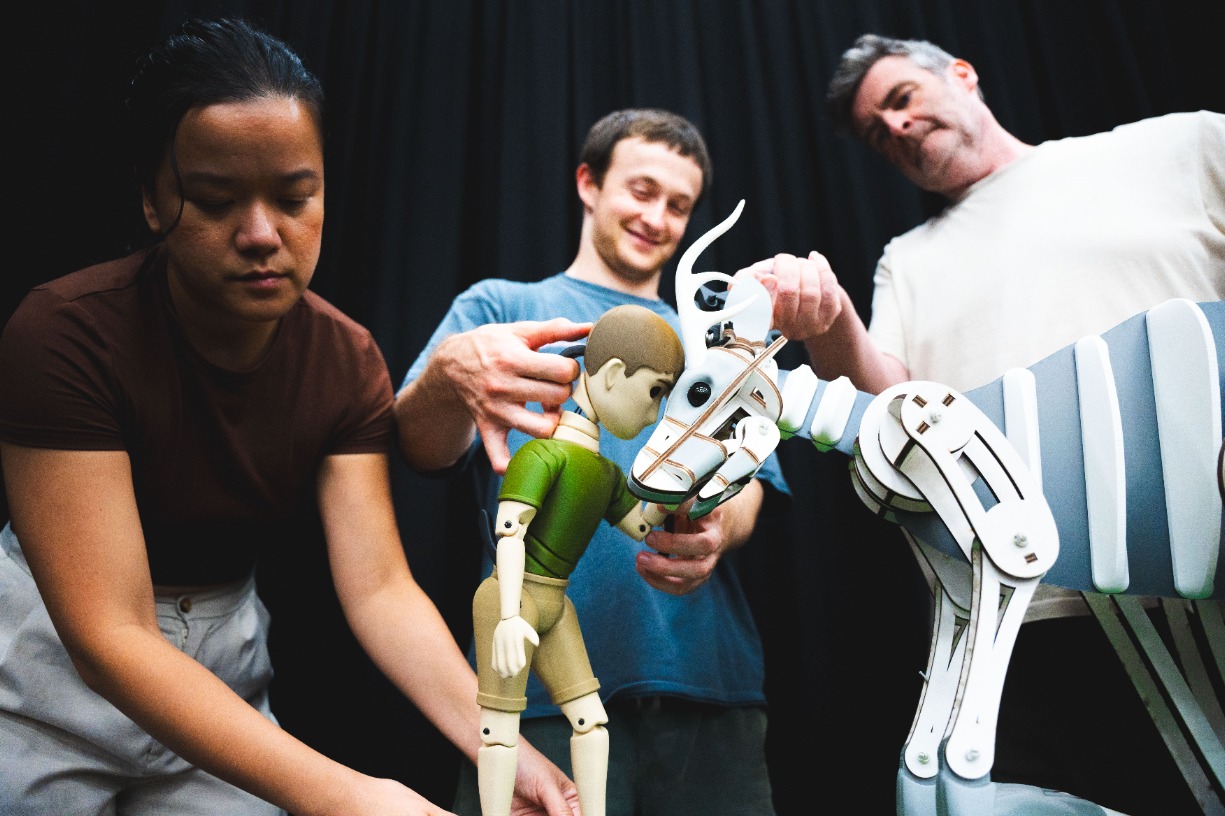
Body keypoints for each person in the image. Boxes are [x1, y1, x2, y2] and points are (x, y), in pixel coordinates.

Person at [0, 17, 579, 816]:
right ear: (151, 197)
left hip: (223, 684)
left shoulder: (345, 359)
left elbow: (380, 588)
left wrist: (495, 742)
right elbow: (111, 636)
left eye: (294, 197)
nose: (261, 234)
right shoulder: (64, 335)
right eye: (215, 200)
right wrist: (352, 797)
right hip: (43, 684)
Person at [738, 33, 1224, 816]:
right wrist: (831, 321)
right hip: (1022, 620)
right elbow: (892, 410)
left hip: (1211, 578)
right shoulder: (906, 260)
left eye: (900, 100)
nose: (894, 128)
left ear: (961, 75)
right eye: (875, 133)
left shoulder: (1180, 146)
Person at [395, 108, 790, 816]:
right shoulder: (501, 309)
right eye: (641, 190)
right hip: (533, 695)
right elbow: (418, 445)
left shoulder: (717, 342)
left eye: (678, 205)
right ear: (588, 182)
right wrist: (452, 371)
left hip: (707, 695)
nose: (657, 218)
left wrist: (714, 528)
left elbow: (753, 483)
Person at [476, 304, 683, 816]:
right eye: (654, 391)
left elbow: (642, 524)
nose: (654, 413)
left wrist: (690, 479)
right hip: (511, 599)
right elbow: (509, 533)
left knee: (591, 722)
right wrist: (508, 616)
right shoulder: (541, 455)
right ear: (611, 375)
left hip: (555, 605)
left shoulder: (605, 474)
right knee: (499, 728)